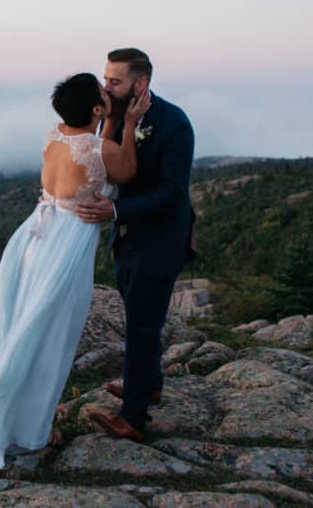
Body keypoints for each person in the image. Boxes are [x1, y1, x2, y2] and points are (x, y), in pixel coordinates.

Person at [0, 72, 148, 481]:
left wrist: (109, 122)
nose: (107, 96)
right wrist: (130, 123)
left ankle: (8, 410)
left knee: (17, 326)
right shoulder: (102, 149)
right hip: (65, 244)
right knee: (49, 337)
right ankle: (31, 429)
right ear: (97, 110)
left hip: (33, 238)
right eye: (103, 96)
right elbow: (128, 169)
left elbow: (91, 148)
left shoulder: (53, 136)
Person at [75, 48, 195, 443]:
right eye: (105, 78)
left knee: (142, 326)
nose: (105, 86)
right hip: (127, 237)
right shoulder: (114, 117)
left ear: (139, 84)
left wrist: (116, 209)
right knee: (139, 316)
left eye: (114, 81)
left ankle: (132, 417)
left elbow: (172, 194)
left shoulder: (173, 124)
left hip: (159, 239)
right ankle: (149, 385)